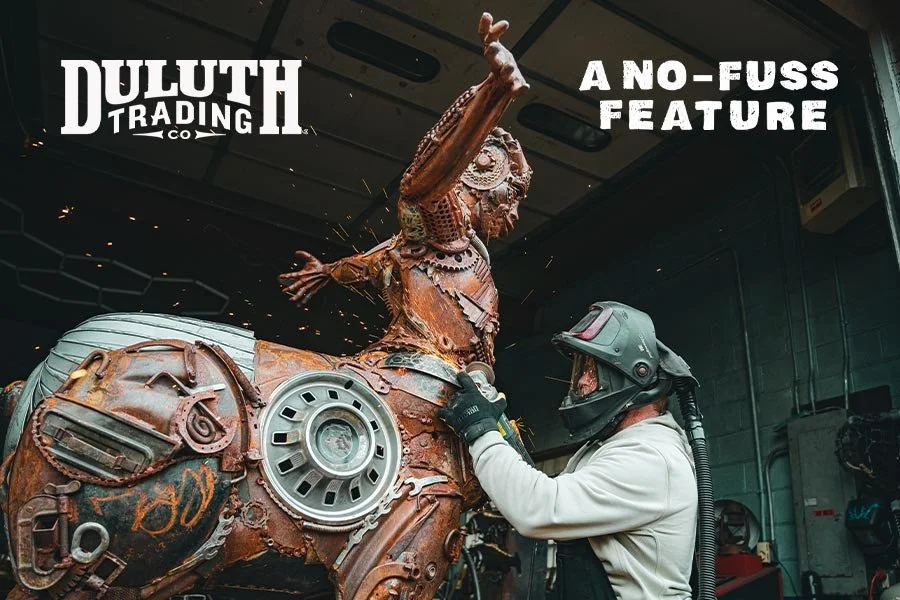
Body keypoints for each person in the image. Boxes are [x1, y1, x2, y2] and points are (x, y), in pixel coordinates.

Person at [439, 301, 700, 600]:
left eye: (591, 370)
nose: (582, 381)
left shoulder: (652, 457)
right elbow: (546, 491)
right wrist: (499, 433)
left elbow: (538, 508)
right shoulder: (616, 446)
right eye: (581, 369)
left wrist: (480, 428)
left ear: (633, 374)